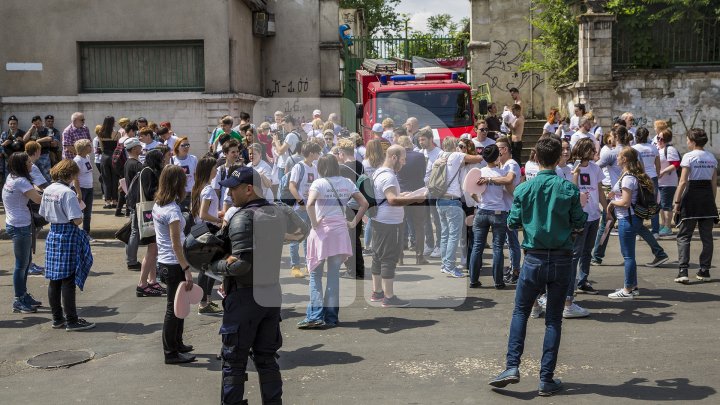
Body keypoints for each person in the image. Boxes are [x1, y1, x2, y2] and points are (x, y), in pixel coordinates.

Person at [489, 137, 587, 396]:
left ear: (536, 158)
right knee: (554, 319)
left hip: (533, 256)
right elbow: (579, 221)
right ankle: (546, 378)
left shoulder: (524, 189)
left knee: (521, 312)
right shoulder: (568, 188)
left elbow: (513, 221)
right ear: (558, 160)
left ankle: (512, 366)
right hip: (561, 257)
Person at [210, 166, 292, 405]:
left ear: (248, 189)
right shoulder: (274, 212)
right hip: (270, 294)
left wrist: (213, 266)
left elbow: (241, 265)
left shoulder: (244, 216)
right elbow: (301, 230)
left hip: (246, 296)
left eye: (234, 189)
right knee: (266, 358)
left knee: (234, 361)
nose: (230, 194)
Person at [298, 155, 368, 329]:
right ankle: (331, 317)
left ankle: (314, 315)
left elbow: (310, 204)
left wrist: (314, 223)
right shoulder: (346, 182)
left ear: (321, 168)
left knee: (315, 274)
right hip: (340, 232)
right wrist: (353, 222)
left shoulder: (319, 183)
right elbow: (364, 203)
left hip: (322, 233)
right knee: (333, 276)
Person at [40, 159, 96, 331]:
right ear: (71, 174)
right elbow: (77, 220)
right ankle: (72, 320)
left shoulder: (48, 189)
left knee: (54, 279)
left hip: (53, 233)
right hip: (67, 234)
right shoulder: (68, 193)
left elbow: (43, 213)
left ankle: (57, 319)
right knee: (68, 279)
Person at [370, 145, 424, 307]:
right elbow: (392, 200)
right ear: (394, 157)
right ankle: (389, 297)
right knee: (388, 258)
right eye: (402, 159)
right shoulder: (389, 176)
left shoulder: (379, 172)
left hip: (380, 220)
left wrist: (404, 195)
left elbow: (389, 197)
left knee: (377, 256)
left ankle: (377, 292)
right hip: (389, 223)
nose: (404, 162)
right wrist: (414, 199)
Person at [152, 165, 195, 364]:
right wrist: (186, 268)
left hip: (164, 261)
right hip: (174, 263)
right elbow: (176, 244)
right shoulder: (172, 211)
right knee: (174, 308)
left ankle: (177, 344)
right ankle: (171, 352)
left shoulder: (159, 205)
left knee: (178, 305)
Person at [606, 147, 655, 299]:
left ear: (625, 160)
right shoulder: (629, 175)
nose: (617, 158)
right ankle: (632, 286)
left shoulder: (628, 178)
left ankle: (627, 289)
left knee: (628, 256)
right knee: (630, 255)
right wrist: (614, 194)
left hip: (627, 219)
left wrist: (612, 202)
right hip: (631, 218)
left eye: (619, 156)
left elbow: (626, 202)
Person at [433, 137, 484, 277]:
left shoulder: (440, 155)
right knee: (454, 235)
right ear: (455, 146)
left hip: (440, 200)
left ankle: (444, 265)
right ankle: (450, 266)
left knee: (444, 234)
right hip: (452, 201)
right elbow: (478, 158)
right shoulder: (456, 155)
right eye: (459, 145)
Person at [673, 128, 718, 284]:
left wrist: (677, 202)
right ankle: (704, 270)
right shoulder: (711, 157)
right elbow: (714, 182)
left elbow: (683, 181)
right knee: (707, 237)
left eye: (687, 139)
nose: (686, 142)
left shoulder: (689, 157)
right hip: (707, 198)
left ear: (692, 141)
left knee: (684, 235)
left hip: (691, 198)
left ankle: (683, 271)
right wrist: (712, 201)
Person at [468, 144, 516, 289]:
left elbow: (471, 192)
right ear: (497, 157)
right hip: (498, 213)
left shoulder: (479, 172)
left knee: (477, 247)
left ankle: (473, 280)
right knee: (497, 248)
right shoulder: (502, 173)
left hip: (482, 212)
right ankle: (498, 282)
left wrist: (480, 202)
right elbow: (510, 186)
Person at [3, 152, 43, 314]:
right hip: (20, 226)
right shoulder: (20, 181)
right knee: (21, 265)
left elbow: (31, 190)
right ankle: (18, 300)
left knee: (25, 263)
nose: (31, 163)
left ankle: (24, 295)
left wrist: (36, 189)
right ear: (22, 165)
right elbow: (38, 200)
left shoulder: (12, 178)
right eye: (28, 161)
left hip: (17, 224)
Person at [127, 147, 168, 296]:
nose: (164, 161)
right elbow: (150, 192)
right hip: (148, 215)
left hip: (150, 215)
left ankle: (152, 281)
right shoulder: (148, 172)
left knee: (153, 250)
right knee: (152, 250)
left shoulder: (149, 171)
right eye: (162, 159)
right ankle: (142, 284)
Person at [570, 138, 607, 298]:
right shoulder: (572, 168)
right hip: (579, 217)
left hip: (594, 216)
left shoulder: (595, 168)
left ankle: (582, 281)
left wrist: (607, 209)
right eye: (592, 150)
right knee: (575, 252)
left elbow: (599, 191)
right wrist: (576, 175)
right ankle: (569, 286)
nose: (594, 153)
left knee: (587, 251)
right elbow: (572, 190)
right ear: (584, 150)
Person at [190, 156, 224, 315]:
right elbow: (204, 214)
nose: (216, 169)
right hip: (209, 230)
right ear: (208, 169)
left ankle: (206, 300)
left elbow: (198, 213)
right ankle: (204, 302)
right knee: (208, 268)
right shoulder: (208, 189)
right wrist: (219, 219)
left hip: (199, 229)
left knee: (206, 267)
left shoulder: (198, 187)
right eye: (214, 167)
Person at [288, 142, 322, 278]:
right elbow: (292, 186)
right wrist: (301, 201)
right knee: (296, 237)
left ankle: (309, 264)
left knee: (309, 238)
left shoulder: (315, 167)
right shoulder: (299, 167)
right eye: (317, 152)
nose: (319, 155)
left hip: (311, 208)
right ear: (312, 153)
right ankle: (295, 266)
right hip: (300, 208)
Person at [396, 135, 429, 265]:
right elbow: (422, 173)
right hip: (417, 193)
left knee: (400, 225)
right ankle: (419, 256)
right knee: (419, 226)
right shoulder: (420, 156)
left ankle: (400, 257)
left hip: (402, 193)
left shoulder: (398, 157)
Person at [495, 137, 521, 284]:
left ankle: (516, 270)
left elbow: (509, 181)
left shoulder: (511, 164)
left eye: (497, 149)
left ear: (504, 150)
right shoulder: (502, 164)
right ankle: (513, 268)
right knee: (509, 242)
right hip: (503, 208)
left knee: (512, 242)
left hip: (510, 209)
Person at [632, 127, 661, 237]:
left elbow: (632, 165)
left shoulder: (633, 148)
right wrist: (656, 175)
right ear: (647, 136)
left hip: (639, 177)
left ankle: (639, 231)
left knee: (639, 203)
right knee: (653, 203)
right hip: (652, 177)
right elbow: (658, 165)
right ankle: (655, 231)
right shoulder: (653, 148)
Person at [419, 128, 442, 258]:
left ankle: (439, 245)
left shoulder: (439, 153)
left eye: (423, 139)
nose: (421, 142)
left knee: (436, 219)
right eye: (420, 140)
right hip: (422, 191)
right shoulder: (420, 153)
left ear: (430, 139)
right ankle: (429, 244)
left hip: (434, 191)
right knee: (425, 219)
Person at [656, 129, 680, 237]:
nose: (660, 140)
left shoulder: (670, 150)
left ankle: (668, 227)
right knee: (660, 205)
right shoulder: (658, 149)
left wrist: (663, 172)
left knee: (666, 205)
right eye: (658, 138)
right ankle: (663, 224)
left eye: (662, 139)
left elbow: (676, 164)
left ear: (667, 140)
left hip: (668, 183)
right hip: (660, 182)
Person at [72, 139, 95, 234]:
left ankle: (86, 234)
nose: (91, 147)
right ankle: (74, 233)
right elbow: (75, 178)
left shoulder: (87, 157)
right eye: (89, 146)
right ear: (84, 148)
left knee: (87, 214)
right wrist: (78, 192)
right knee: (77, 213)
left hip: (90, 188)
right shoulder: (77, 160)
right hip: (81, 188)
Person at [98, 116, 120, 208]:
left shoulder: (100, 133)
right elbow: (119, 147)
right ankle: (115, 201)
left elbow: (102, 148)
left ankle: (107, 201)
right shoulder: (117, 134)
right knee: (115, 179)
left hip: (104, 157)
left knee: (106, 180)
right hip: (114, 157)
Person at [171, 137, 198, 210]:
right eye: (183, 145)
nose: (186, 147)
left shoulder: (193, 158)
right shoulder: (172, 160)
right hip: (178, 195)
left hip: (191, 194)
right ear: (177, 147)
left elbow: (196, 176)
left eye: (187, 145)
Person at [22, 115, 53, 180]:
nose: (37, 125)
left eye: (38, 123)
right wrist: (30, 130)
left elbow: (50, 138)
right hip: (33, 155)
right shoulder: (32, 130)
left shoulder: (47, 129)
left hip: (44, 154)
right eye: (35, 124)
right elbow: (24, 139)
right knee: (34, 174)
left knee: (45, 174)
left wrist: (38, 140)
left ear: (41, 122)